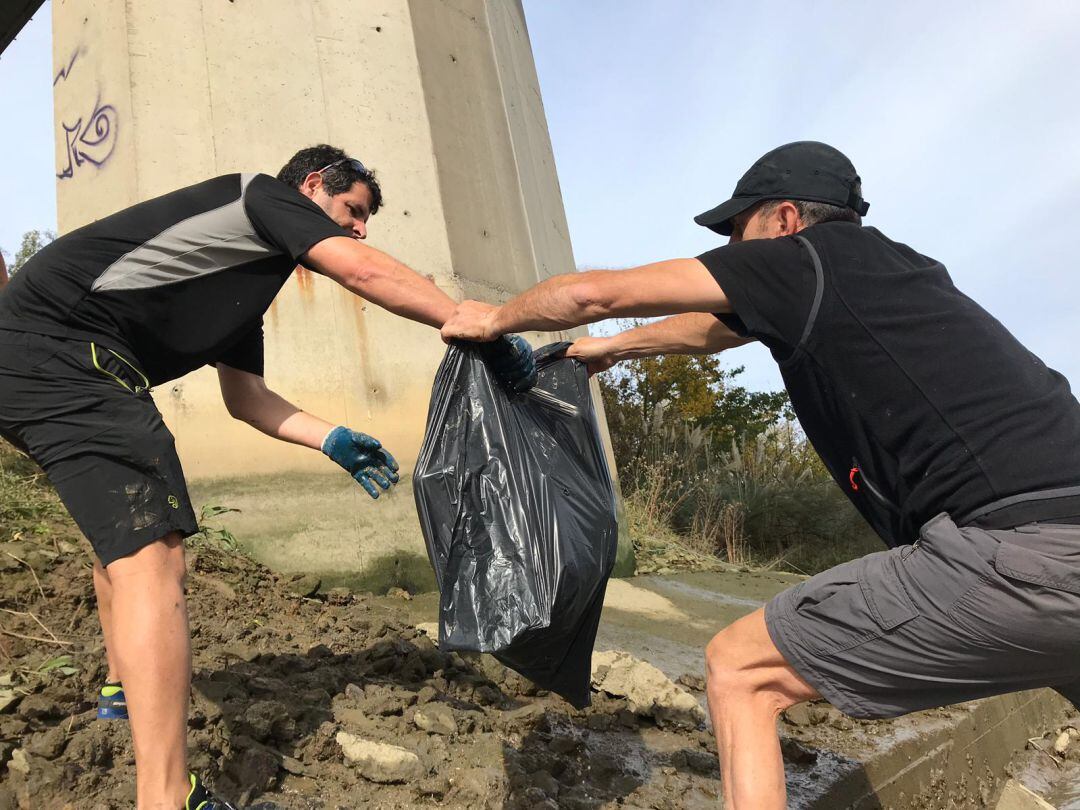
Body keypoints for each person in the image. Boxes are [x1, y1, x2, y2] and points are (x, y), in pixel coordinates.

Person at [440, 141, 1080, 810]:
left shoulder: (805, 260)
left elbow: (592, 292)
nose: (732, 252)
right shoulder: (882, 274)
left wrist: (495, 317)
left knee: (742, 669)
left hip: (1020, 552)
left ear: (782, 221)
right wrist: (612, 351)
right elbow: (714, 331)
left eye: (735, 233)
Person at [0, 144, 534, 810]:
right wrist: (470, 319)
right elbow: (362, 271)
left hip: (31, 364)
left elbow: (245, 398)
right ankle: (165, 797)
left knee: (122, 543)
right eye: (353, 209)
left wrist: (331, 439)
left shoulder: (238, 285)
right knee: (153, 557)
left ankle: (118, 692)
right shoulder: (258, 196)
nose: (361, 227)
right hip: (67, 353)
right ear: (311, 187)